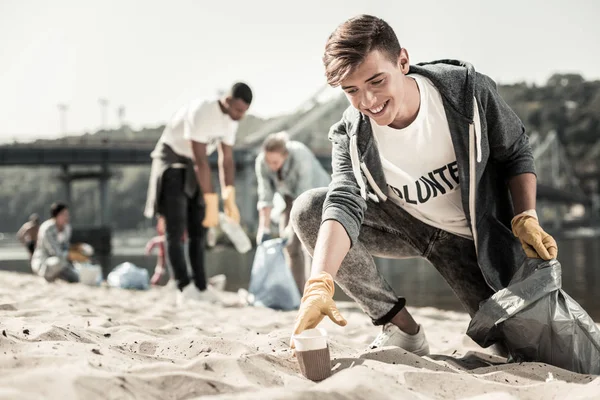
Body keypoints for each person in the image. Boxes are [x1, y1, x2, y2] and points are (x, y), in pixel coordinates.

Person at [289, 15, 558, 356]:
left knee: (527, 348)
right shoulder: (350, 134)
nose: (368, 101)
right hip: (406, 227)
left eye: (376, 81)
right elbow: (344, 200)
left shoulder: (466, 93)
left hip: (477, 241)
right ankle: (401, 328)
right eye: (352, 91)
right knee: (310, 210)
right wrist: (319, 283)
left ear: (402, 61)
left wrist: (526, 217)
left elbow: (516, 151)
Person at [144, 82, 253, 305]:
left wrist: (228, 195)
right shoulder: (202, 112)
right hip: (173, 159)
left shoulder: (231, 120)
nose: (240, 116)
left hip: (194, 166)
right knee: (176, 229)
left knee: (199, 228)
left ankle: (202, 286)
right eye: (238, 110)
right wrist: (211, 200)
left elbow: (227, 159)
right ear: (228, 100)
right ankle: (184, 286)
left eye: (244, 112)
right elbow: (200, 161)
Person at [255, 131, 330, 293]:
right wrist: (264, 228)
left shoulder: (300, 155)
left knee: (309, 245)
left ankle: (315, 293)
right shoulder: (262, 162)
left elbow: (303, 194)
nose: (271, 166)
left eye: (275, 162)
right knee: (289, 247)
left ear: (285, 155)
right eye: (268, 161)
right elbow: (265, 195)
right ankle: (297, 293)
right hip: (288, 198)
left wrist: (291, 227)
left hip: (317, 197)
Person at [31, 202, 80, 283]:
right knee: (58, 261)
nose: (67, 217)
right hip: (44, 262)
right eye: (64, 214)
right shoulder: (47, 228)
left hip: (62, 262)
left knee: (76, 278)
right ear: (56, 215)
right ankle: (46, 276)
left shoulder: (67, 228)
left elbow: (66, 246)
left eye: (67, 214)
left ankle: (59, 275)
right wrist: (72, 255)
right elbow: (54, 250)